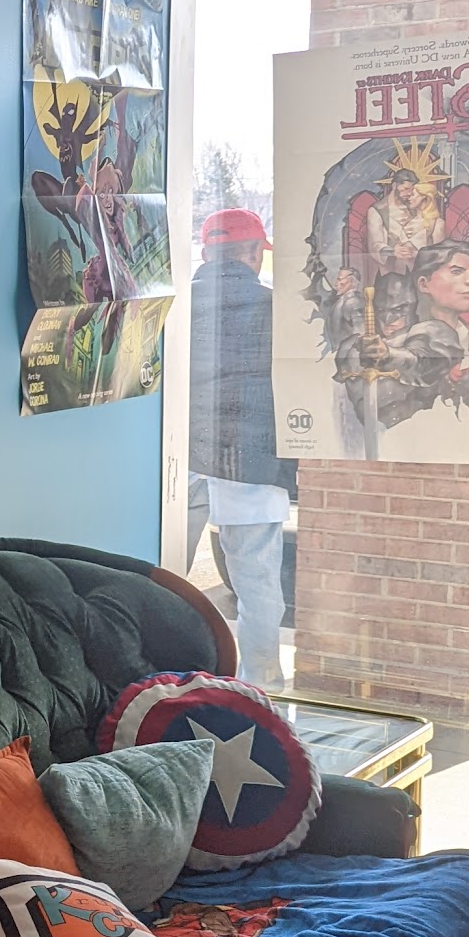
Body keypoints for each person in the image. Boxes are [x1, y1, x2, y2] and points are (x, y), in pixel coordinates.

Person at [187, 208, 294, 688]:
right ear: (253, 252)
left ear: (207, 252)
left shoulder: (175, 306)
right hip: (249, 457)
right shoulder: (276, 308)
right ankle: (260, 688)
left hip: (181, 457)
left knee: (162, 570)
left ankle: (162, 681)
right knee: (256, 585)